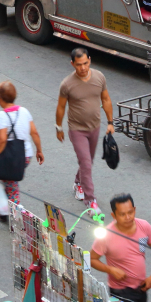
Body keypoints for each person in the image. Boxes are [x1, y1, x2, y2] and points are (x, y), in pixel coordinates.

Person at [55, 48, 113, 213]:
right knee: (86, 162)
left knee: (87, 161)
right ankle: (91, 201)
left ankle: (78, 183)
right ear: (72, 64)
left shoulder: (99, 77)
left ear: (90, 60)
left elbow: (106, 99)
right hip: (76, 129)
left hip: (94, 127)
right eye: (79, 65)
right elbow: (61, 107)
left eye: (85, 63)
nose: (83, 68)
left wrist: (110, 122)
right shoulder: (67, 84)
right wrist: (58, 127)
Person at [90, 194, 151, 302]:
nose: (128, 217)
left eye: (130, 212)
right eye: (122, 214)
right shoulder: (107, 235)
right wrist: (111, 270)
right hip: (120, 291)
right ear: (114, 215)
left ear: (134, 210)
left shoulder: (144, 226)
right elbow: (92, 259)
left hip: (141, 288)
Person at [0, 81, 43, 220]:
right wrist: (39, 150)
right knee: (9, 180)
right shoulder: (24, 111)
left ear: (0, 99)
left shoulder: (2, 116)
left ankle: (16, 214)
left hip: (10, 156)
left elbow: (2, 139)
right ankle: (6, 207)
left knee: (11, 183)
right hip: (25, 155)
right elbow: (34, 133)